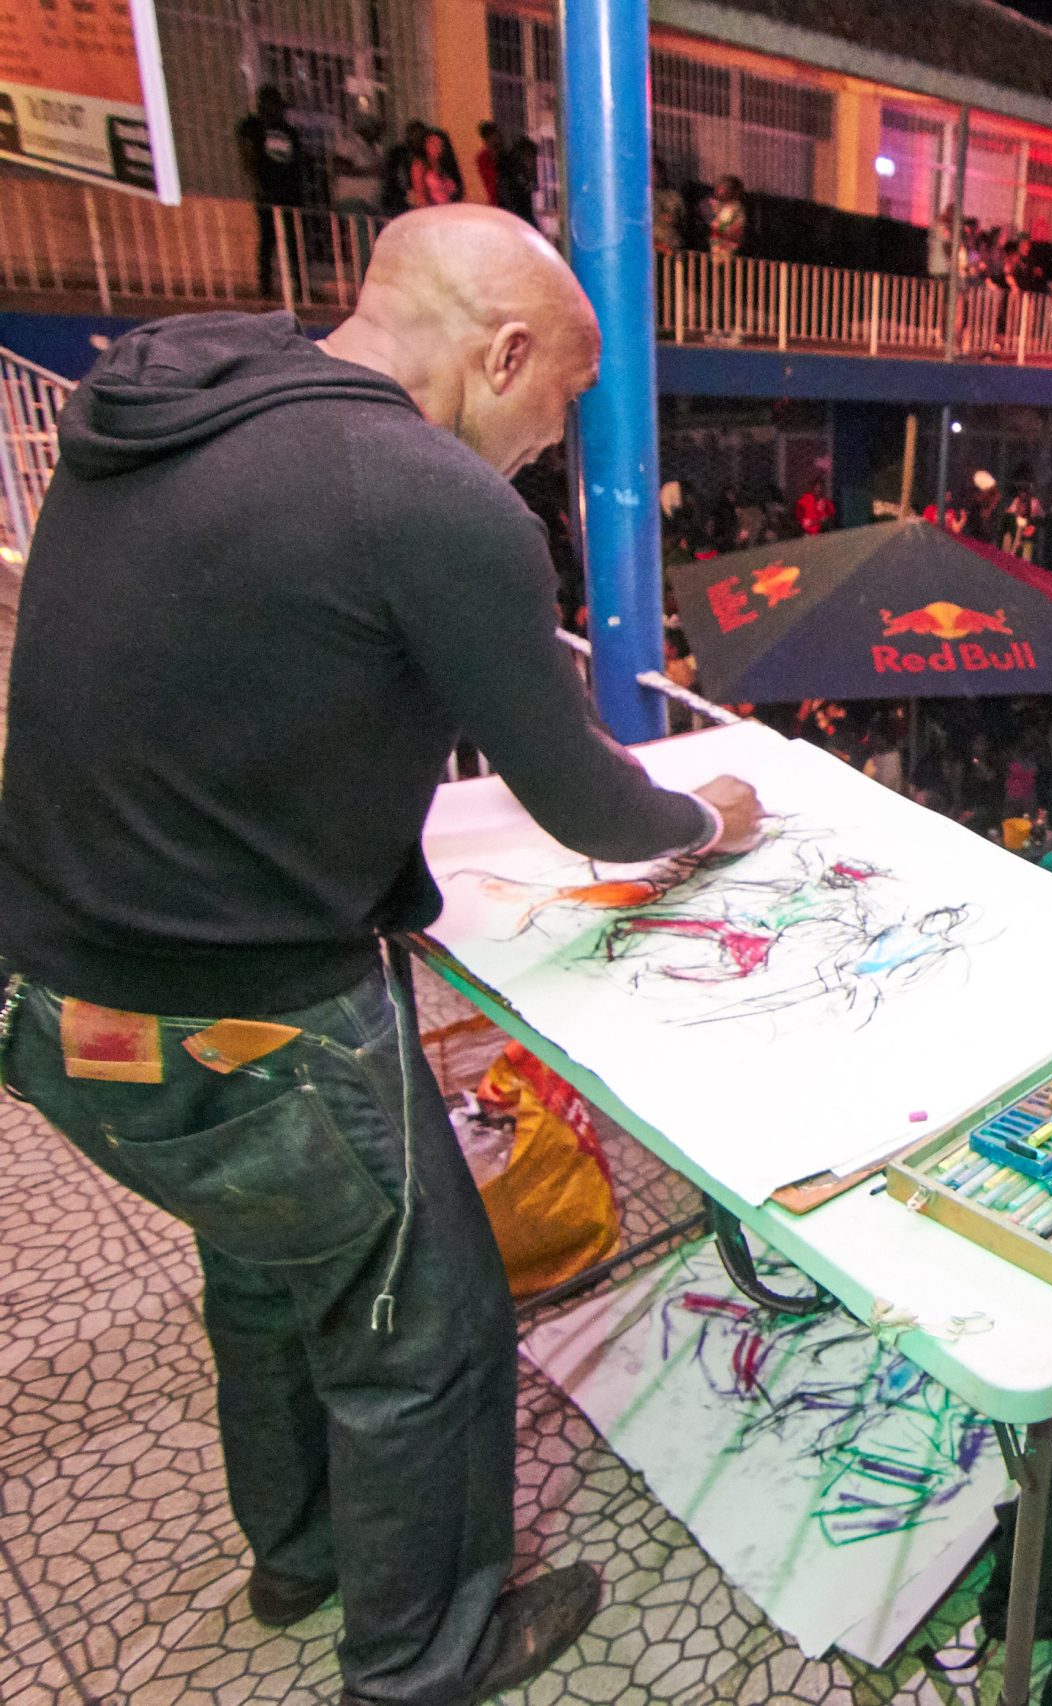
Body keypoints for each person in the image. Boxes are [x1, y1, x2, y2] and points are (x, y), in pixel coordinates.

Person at [0, 206, 764, 1702]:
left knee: (273, 1256)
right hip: (240, 1026)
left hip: (50, 1000)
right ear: (505, 351)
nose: (553, 443)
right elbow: (590, 801)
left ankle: (299, 1550)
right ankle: (424, 1654)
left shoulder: (174, 407)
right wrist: (704, 815)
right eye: (560, 405)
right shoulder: (429, 497)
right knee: (424, 1323)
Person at [237, 85, 309, 300]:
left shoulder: (288, 131)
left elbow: (296, 163)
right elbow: (248, 156)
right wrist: (258, 185)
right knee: (268, 238)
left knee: (293, 240)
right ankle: (265, 285)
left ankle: (298, 286)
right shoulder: (253, 127)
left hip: (290, 192)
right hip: (268, 192)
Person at [408, 127, 465, 208]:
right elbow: (420, 195)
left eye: (439, 144)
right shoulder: (420, 165)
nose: (436, 147)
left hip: (449, 209)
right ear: (425, 144)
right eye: (432, 143)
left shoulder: (445, 165)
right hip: (431, 211)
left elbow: (456, 191)